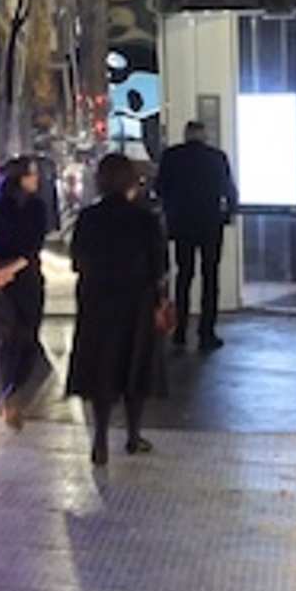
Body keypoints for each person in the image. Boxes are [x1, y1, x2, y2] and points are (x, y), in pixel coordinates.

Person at [64, 152, 170, 469]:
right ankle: (134, 435)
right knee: (135, 368)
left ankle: (99, 439)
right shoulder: (145, 219)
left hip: (97, 302)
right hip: (137, 303)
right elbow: (159, 265)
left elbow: (77, 260)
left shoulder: (88, 218)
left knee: (102, 369)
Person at [0, 158, 53, 423]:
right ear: (21, 178)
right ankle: (14, 391)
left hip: (1, 279)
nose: (36, 179)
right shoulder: (37, 208)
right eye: (32, 174)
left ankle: (10, 389)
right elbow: (33, 247)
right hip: (26, 277)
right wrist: (8, 271)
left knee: (9, 338)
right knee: (27, 334)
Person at [154, 117, 238, 352]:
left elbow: (160, 188)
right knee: (210, 278)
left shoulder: (172, 156)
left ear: (185, 134)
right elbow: (229, 190)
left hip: (181, 224)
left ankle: (180, 332)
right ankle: (206, 333)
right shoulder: (217, 158)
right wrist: (228, 215)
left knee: (184, 276)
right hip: (211, 224)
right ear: (205, 135)